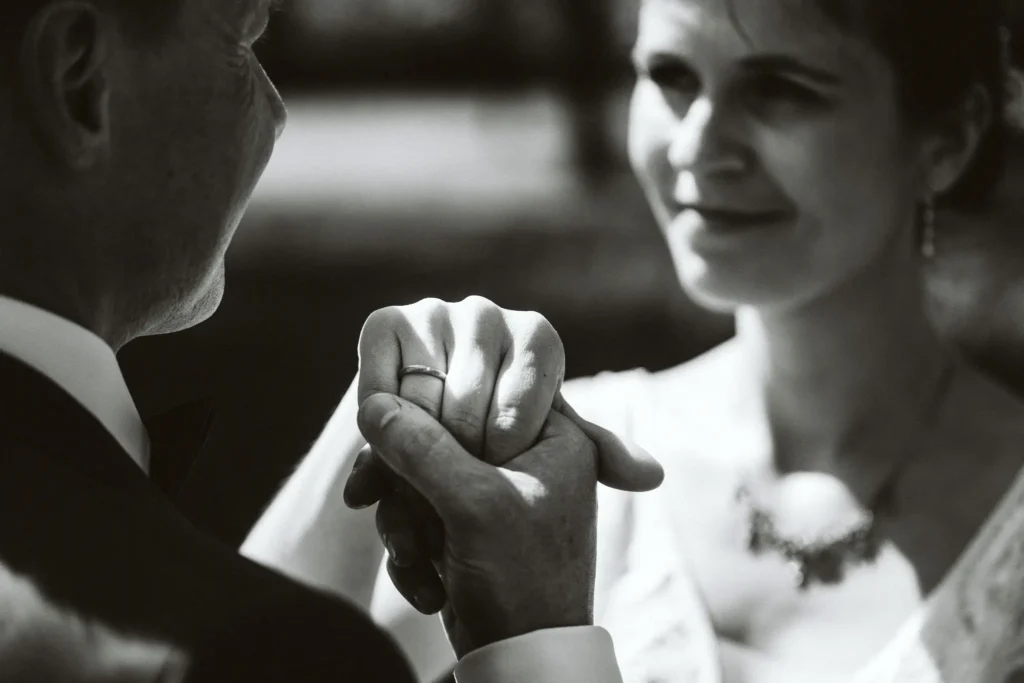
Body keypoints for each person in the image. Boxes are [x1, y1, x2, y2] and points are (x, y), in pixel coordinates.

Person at [243, 0, 1024, 681]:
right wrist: (381, 404)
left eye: (781, 89)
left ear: (947, 138)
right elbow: (233, 663)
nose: (696, 145)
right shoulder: (553, 464)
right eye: (671, 76)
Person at [0, 0, 664, 681]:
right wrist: (537, 636)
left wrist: (384, 417)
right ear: (80, 78)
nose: (278, 111)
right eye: (246, 44)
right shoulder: (241, 649)